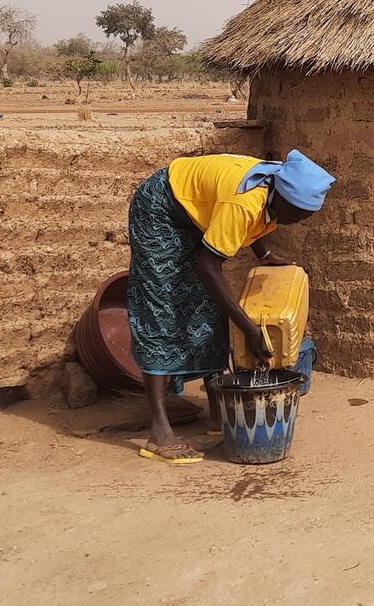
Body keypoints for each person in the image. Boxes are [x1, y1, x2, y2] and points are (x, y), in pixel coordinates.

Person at [125, 149, 334, 464]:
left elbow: (254, 220)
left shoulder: (274, 184)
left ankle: (218, 412)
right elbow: (210, 265)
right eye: (299, 213)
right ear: (284, 197)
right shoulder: (246, 200)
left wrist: (263, 255)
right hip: (161, 209)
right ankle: (159, 431)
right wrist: (248, 329)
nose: (299, 221)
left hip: (194, 215)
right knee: (162, 310)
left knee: (208, 311)